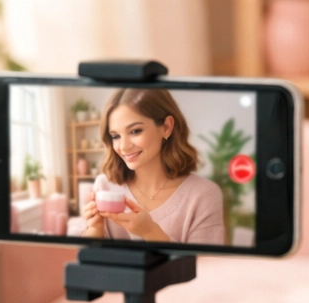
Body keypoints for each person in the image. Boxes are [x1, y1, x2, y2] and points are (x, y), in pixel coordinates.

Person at [81, 88, 225, 245]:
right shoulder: (104, 187)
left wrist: (151, 232)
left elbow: (206, 265)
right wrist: (94, 229)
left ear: (166, 127)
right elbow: (90, 263)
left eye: (135, 131)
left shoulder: (203, 195)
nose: (123, 147)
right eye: (115, 136)